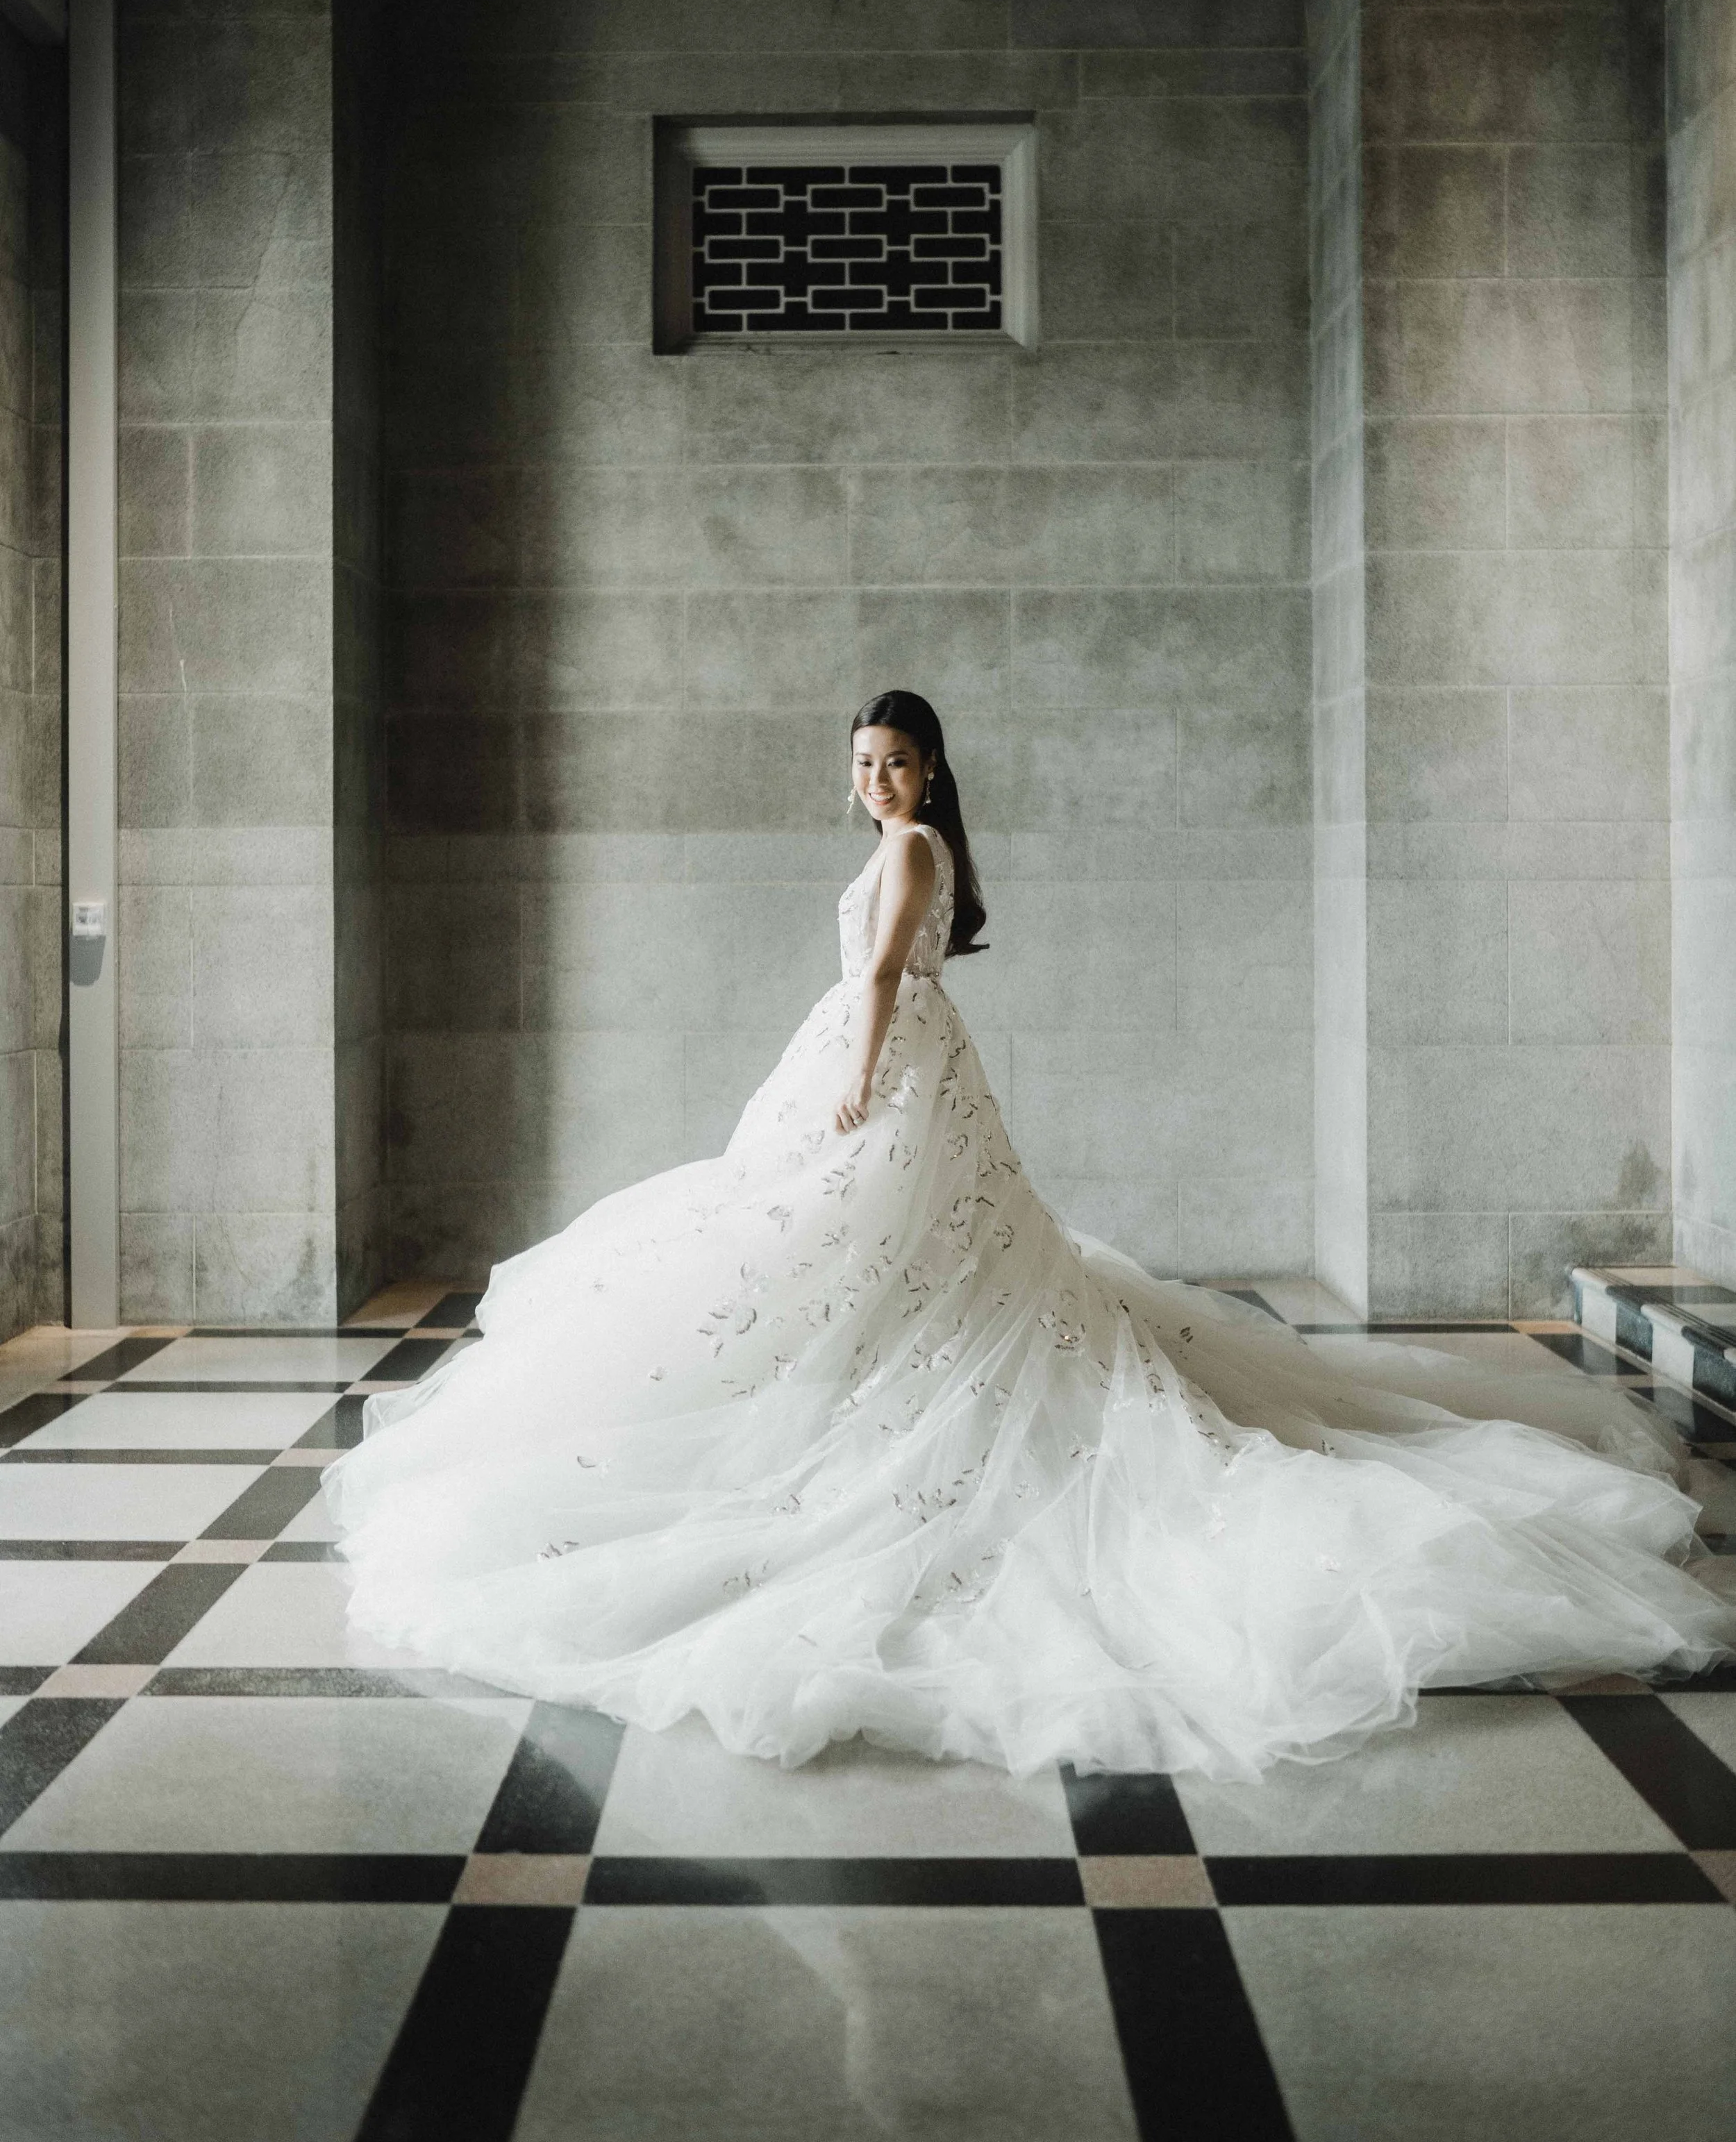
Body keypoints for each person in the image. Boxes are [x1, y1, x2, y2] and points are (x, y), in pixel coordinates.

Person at [325, 690, 1734, 1780]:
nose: (872, 780)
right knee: (867, 1280)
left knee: (887, 1267)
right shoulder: (900, 845)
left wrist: (853, 1094)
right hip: (893, 1064)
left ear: (928, 772)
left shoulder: (913, 853)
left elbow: (876, 976)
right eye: (860, 762)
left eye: (890, 761)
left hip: (890, 1070)